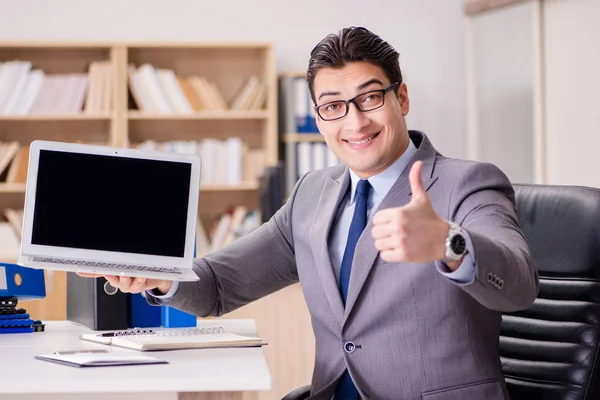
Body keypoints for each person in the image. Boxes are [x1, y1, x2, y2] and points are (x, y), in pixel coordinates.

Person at [82, 27, 539, 400]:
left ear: (402, 98)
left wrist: (448, 243)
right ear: (319, 120)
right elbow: (220, 285)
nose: (355, 122)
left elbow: (518, 283)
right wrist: (160, 277)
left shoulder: (468, 182)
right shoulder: (311, 194)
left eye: (371, 98)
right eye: (334, 107)